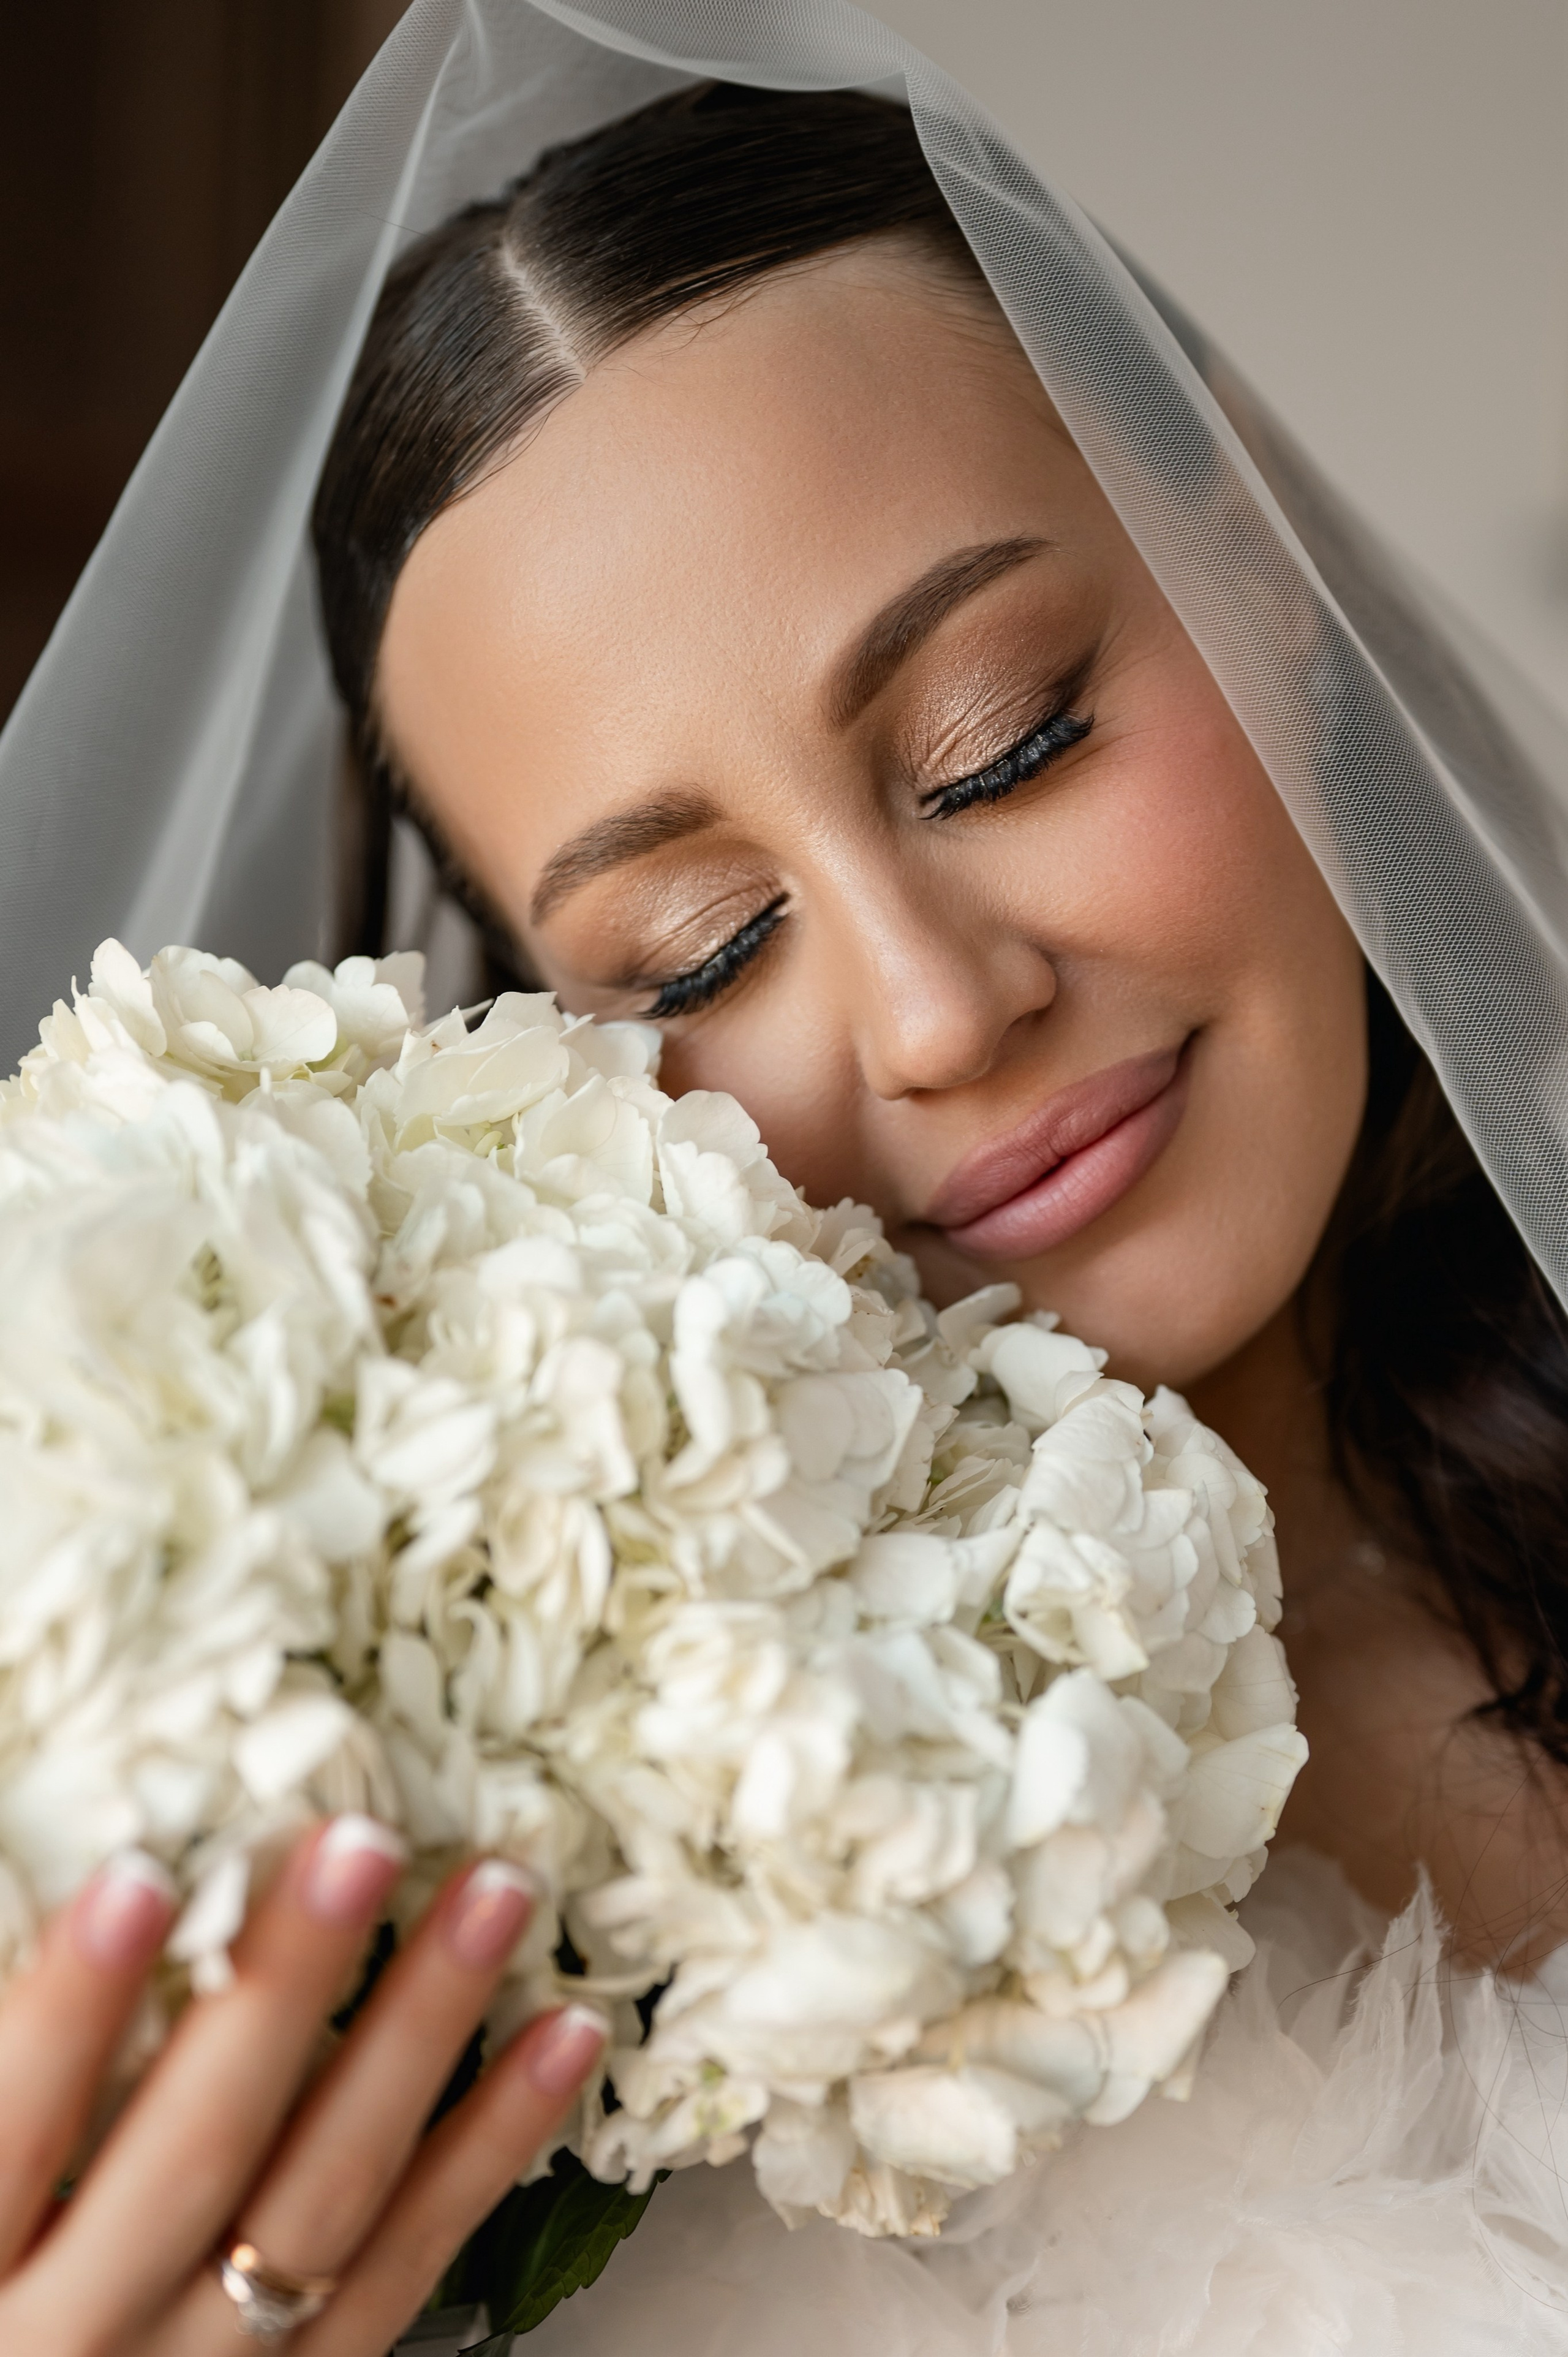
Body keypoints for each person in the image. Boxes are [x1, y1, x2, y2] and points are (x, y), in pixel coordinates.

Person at [2, 12, 1568, 2353]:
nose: (938, 1015)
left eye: (1005, 740)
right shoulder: (546, 1976)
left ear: (1259, 570)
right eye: (701, 954)